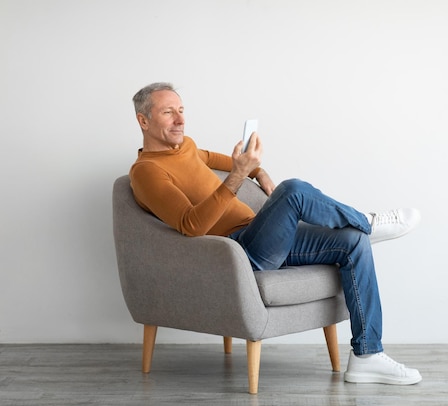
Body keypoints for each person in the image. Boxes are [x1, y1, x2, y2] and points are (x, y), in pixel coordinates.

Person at [129, 82, 422, 385]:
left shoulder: (187, 147)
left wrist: (259, 173)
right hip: (237, 252)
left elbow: (237, 163)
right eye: (168, 112)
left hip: (261, 235)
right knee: (293, 190)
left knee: (354, 242)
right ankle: (367, 222)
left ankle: (366, 356)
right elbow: (191, 225)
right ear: (143, 121)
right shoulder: (146, 172)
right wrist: (239, 175)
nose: (180, 120)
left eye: (181, 110)